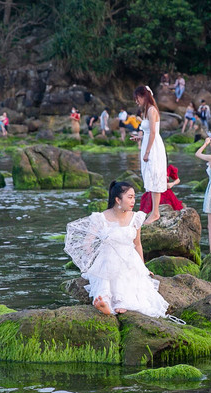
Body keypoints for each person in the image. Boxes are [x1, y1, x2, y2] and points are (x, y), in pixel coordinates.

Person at [64, 181, 169, 317]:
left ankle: (121, 302)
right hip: (107, 259)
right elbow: (87, 243)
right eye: (129, 197)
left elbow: (137, 244)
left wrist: (143, 267)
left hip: (130, 260)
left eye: (134, 197)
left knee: (132, 277)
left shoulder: (135, 217)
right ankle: (105, 302)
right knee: (107, 271)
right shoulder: (101, 218)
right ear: (118, 200)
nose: (133, 201)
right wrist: (94, 262)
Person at [131, 86, 167, 225]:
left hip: (153, 147)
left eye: (137, 98)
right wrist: (138, 138)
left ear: (144, 96)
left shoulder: (152, 110)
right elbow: (146, 132)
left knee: (155, 175)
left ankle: (155, 212)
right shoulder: (146, 111)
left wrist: (147, 152)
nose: (136, 101)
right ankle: (154, 210)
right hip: (147, 143)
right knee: (149, 176)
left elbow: (153, 132)